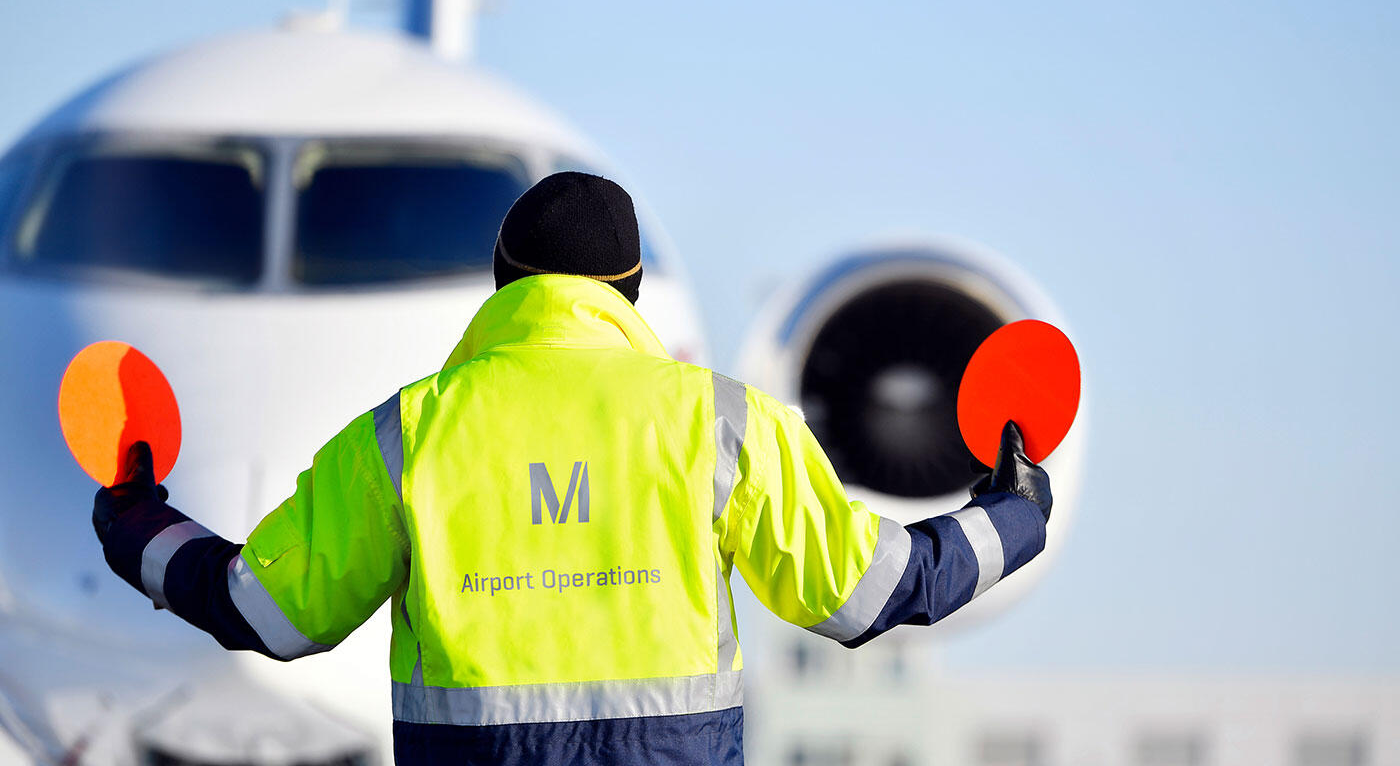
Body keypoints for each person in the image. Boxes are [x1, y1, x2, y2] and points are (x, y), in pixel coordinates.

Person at [92, 171, 1053, 766]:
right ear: (627, 295)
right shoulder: (717, 424)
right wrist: (1011, 516)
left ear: (505, 286)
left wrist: (135, 523)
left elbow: (264, 611)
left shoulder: (409, 435)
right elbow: (872, 592)